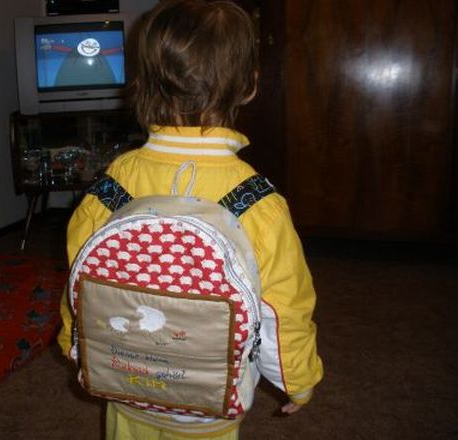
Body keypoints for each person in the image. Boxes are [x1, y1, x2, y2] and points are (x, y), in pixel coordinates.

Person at [57, 0, 323, 438]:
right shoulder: (257, 201)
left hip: (124, 385)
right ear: (250, 86)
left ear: (141, 84)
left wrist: (76, 344)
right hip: (209, 406)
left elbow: (79, 279)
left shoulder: (114, 183)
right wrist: (298, 380)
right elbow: (283, 307)